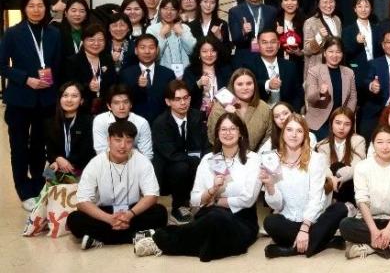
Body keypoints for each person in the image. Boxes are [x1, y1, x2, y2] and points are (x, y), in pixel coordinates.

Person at [133, 112, 262, 261]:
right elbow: (194, 200)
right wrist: (212, 190)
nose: (228, 133)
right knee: (212, 226)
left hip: (241, 219)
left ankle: (160, 241)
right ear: (217, 133)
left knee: (215, 222)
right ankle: (167, 241)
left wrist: (215, 201)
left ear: (241, 133)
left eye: (233, 129)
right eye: (223, 129)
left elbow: (248, 199)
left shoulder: (253, 159)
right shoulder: (208, 159)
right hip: (209, 215)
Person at [67, 119, 168, 249]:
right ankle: (136, 236)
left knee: (160, 212)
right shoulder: (95, 163)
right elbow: (82, 201)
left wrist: (129, 215)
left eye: (128, 141)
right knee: (74, 219)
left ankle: (99, 238)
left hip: (132, 211)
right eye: (118, 140)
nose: (123, 146)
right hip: (105, 212)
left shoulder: (142, 161)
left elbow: (152, 195)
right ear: (108, 140)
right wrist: (109, 219)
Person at [260, 114, 348, 258]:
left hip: (313, 221)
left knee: (340, 209)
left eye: (299, 131)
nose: (294, 135)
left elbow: (316, 198)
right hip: (289, 221)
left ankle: (289, 250)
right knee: (270, 222)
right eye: (289, 130)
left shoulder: (316, 159)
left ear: (305, 135)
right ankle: (324, 242)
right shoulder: (273, 160)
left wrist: (305, 228)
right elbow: (277, 205)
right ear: (283, 133)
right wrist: (269, 185)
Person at [340, 124, 390, 259]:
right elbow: (362, 200)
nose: (385, 147)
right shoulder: (362, 167)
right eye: (380, 142)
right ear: (373, 144)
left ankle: (370, 247)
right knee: (345, 225)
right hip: (368, 221)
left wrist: (389, 229)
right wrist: (373, 231)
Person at [151, 81, 208, 223]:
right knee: (181, 167)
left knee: (208, 160)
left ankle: (203, 202)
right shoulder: (160, 123)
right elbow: (171, 154)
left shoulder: (197, 116)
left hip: (191, 161)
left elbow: (205, 143)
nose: (183, 103)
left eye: (186, 98)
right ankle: (179, 207)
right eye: (177, 99)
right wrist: (196, 161)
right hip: (169, 167)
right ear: (168, 102)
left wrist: (207, 159)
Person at [304, 38, 357, 139]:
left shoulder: (349, 72)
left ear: (342, 54)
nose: (334, 55)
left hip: (341, 122)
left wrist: (346, 116)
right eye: (331, 51)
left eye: (338, 52)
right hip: (319, 122)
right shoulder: (314, 71)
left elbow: (353, 97)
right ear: (324, 53)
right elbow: (310, 98)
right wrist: (320, 92)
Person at [208, 68, 274, 149]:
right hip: (224, 154)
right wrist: (228, 115)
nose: (245, 88)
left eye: (249, 83)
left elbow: (268, 138)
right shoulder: (220, 108)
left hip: (255, 155)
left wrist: (255, 155)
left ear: (254, 85)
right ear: (233, 86)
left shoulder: (263, 107)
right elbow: (213, 138)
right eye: (240, 84)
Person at [117, 34, 177, 122]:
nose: (147, 51)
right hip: (133, 122)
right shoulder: (126, 74)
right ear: (136, 50)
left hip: (162, 123)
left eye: (151, 47)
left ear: (157, 50)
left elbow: (172, 101)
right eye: (142, 47)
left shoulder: (168, 74)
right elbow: (122, 100)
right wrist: (138, 87)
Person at [315, 108, 366, 207]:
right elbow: (324, 168)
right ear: (331, 124)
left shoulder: (358, 140)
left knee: (337, 166)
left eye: (347, 124)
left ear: (352, 126)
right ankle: (339, 205)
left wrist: (339, 176)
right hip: (331, 186)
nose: (342, 127)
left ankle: (341, 204)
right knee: (330, 170)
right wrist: (332, 178)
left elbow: (357, 165)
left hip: (350, 184)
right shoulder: (322, 145)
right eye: (338, 123)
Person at [64, 23, 119, 115]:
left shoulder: (108, 59)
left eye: (100, 40)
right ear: (83, 41)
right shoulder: (72, 61)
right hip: (81, 109)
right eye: (91, 40)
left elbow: (113, 83)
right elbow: (68, 86)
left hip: (106, 110)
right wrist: (87, 86)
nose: (96, 44)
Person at [44, 83, 97, 179]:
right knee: (47, 175)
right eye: (65, 95)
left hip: (82, 167)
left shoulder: (90, 121)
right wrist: (56, 159)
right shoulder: (50, 122)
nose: (69, 100)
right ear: (60, 99)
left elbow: (87, 151)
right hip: (57, 164)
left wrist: (65, 163)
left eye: (74, 96)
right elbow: (49, 150)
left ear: (81, 101)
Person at [246, 30, 304, 112]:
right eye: (264, 42)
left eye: (273, 42)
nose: (269, 46)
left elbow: (298, 93)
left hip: (285, 113)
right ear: (258, 45)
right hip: (260, 112)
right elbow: (248, 88)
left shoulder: (290, 66)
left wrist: (292, 112)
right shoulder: (249, 66)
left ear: (279, 45)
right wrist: (268, 84)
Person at [227, 0, 278, 66]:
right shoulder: (235, 11)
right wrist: (244, 32)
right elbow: (235, 40)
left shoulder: (271, 11)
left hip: (267, 59)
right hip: (244, 59)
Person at [92, 84, 154, 159]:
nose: (121, 107)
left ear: (131, 104)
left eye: (125, 102)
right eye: (116, 103)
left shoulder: (142, 123)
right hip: (108, 164)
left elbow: (147, 155)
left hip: (136, 164)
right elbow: (101, 152)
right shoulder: (100, 121)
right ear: (109, 106)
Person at [301, 0, 342, 74]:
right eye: (325, 2)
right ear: (318, 4)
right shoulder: (310, 22)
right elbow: (306, 50)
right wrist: (319, 37)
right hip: (317, 70)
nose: (328, 5)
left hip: (335, 67)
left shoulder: (337, 19)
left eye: (331, 2)